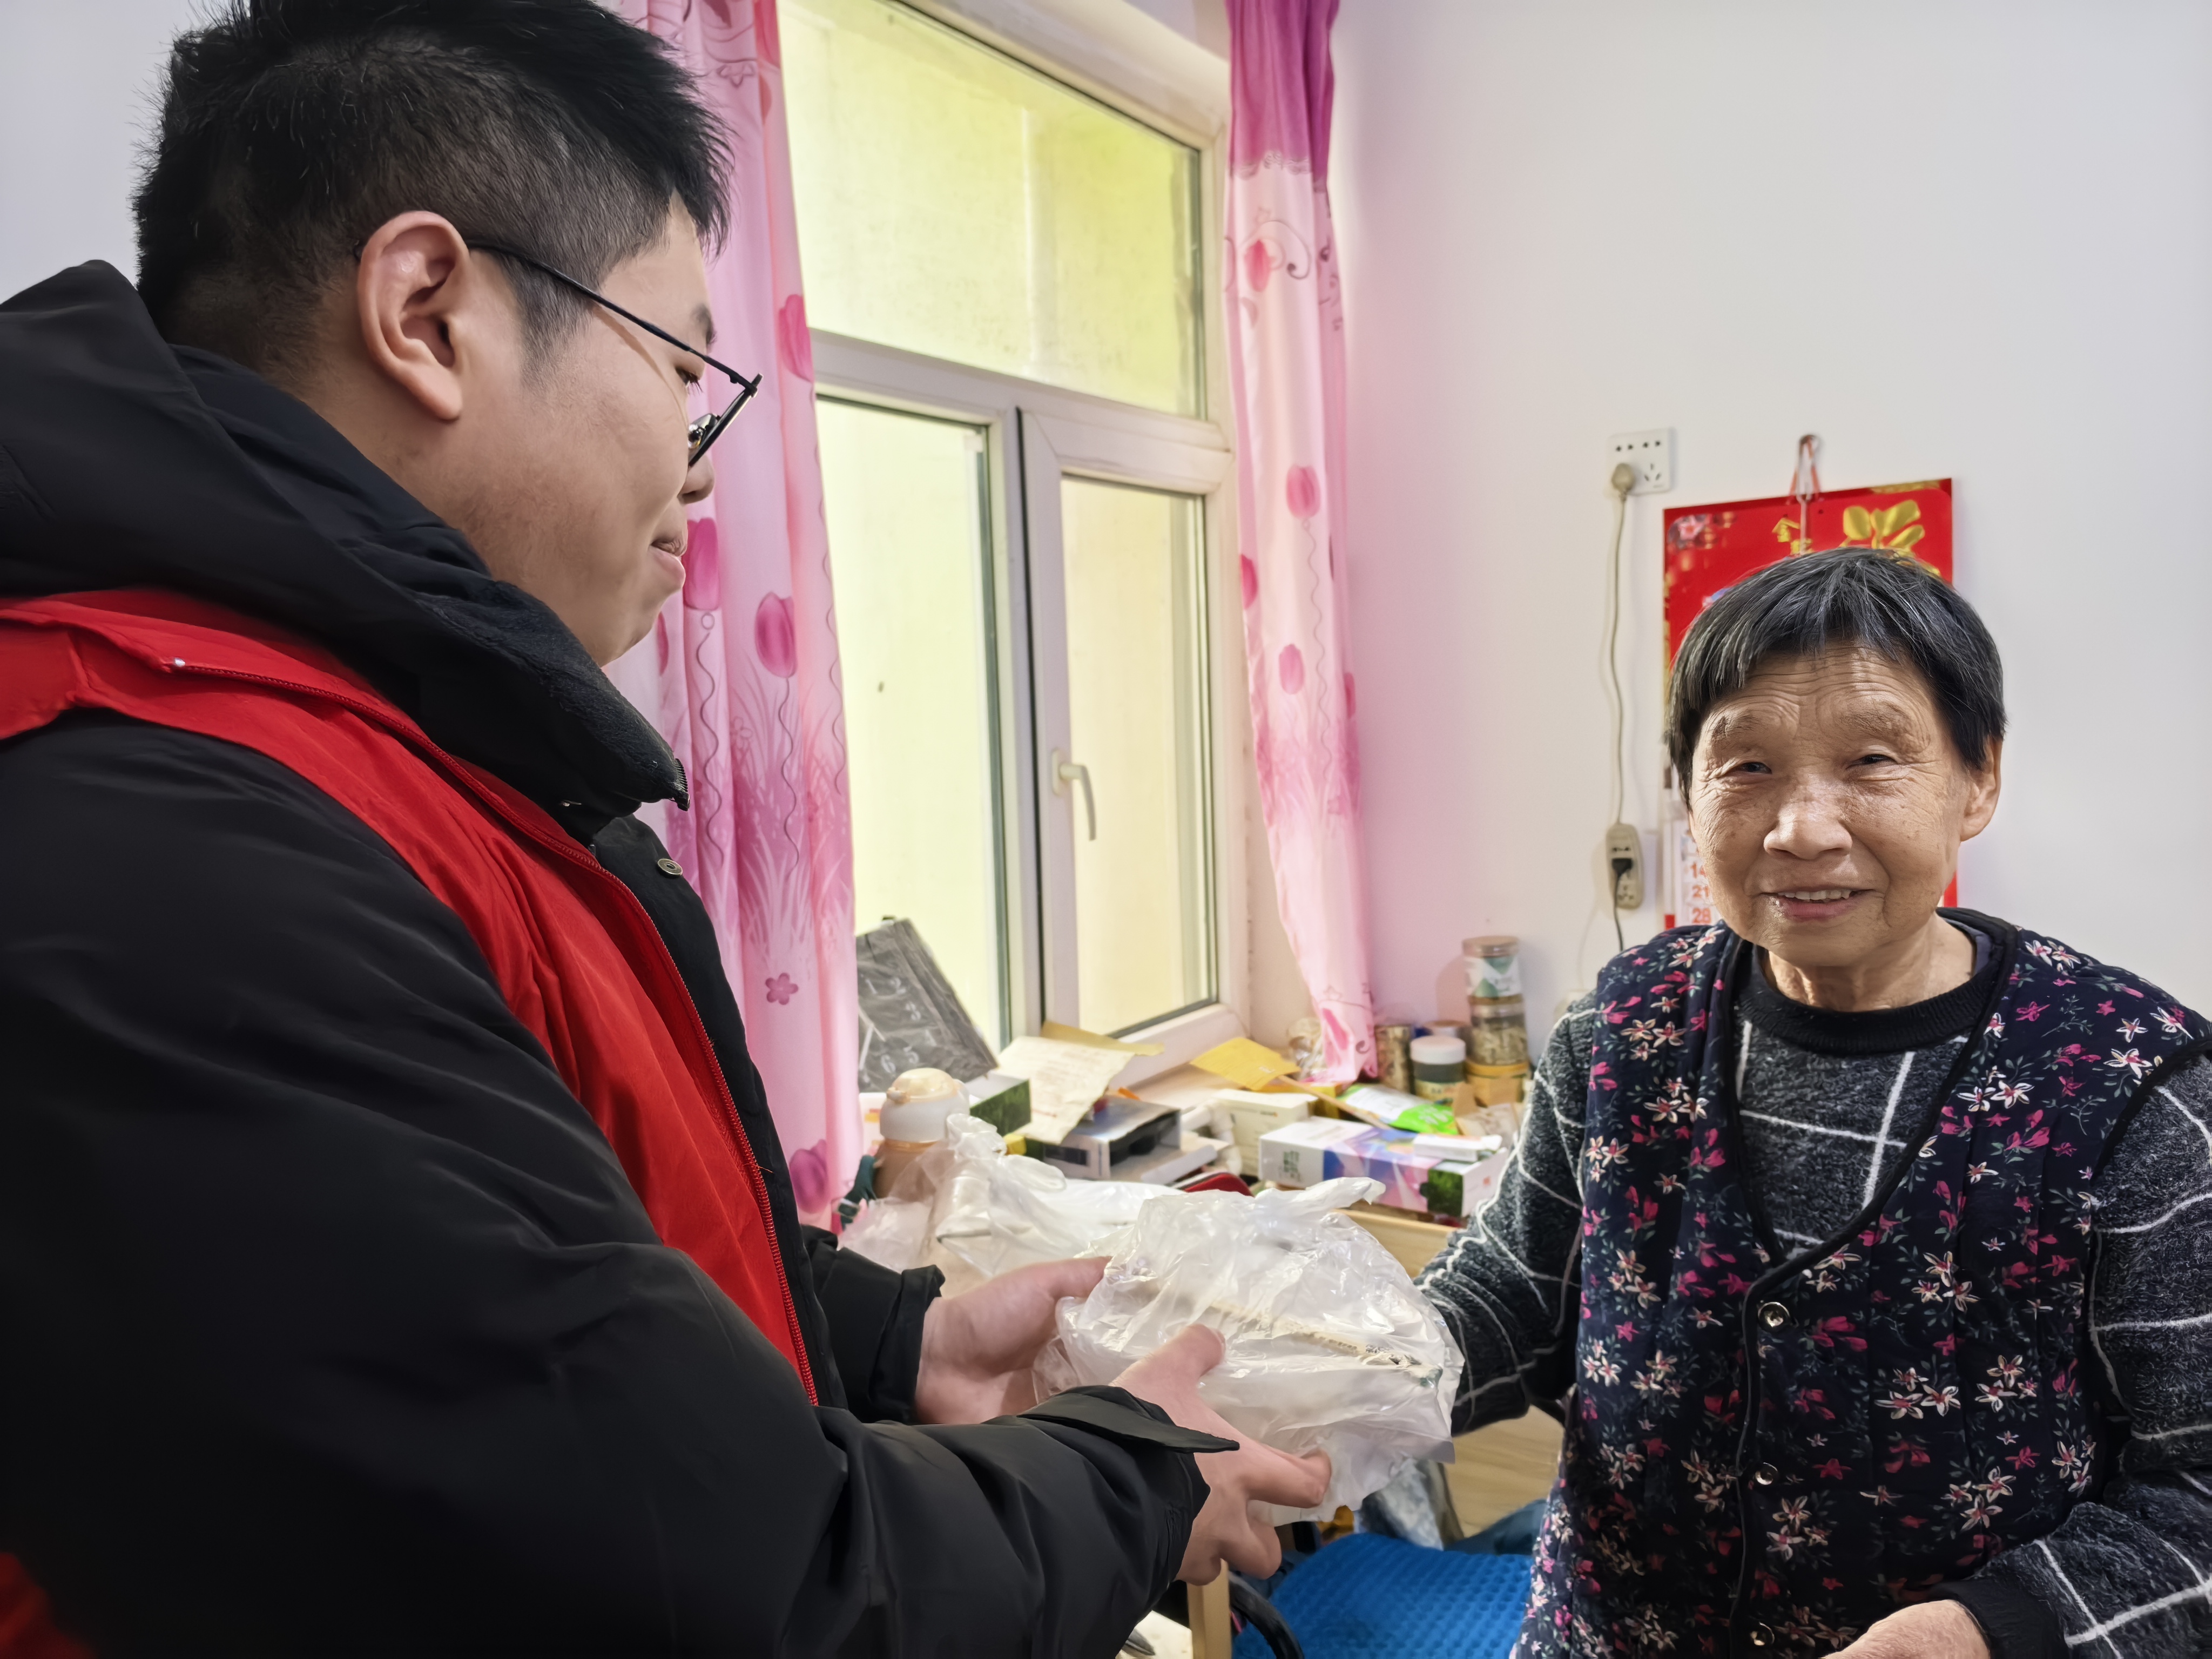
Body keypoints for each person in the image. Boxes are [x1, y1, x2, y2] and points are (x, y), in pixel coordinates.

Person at [0, 2, 1326, 1653]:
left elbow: (537, 1264)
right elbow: (728, 1594)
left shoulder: (391, 755)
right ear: (427, 314)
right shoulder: (158, 829)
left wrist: (885, 1344)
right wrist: (1130, 1482)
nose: (703, 469)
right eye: (685, 367)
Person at [1420, 549, 2212, 1657]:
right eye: (1745, 766)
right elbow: (1513, 1293)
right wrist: (1329, 1381)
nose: (1800, 827)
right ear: (1688, 792)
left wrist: (1986, 1632)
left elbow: (2196, 1484)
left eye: (1871, 760)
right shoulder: (1621, 1030)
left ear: (1978, 779)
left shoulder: (2131, 1088)